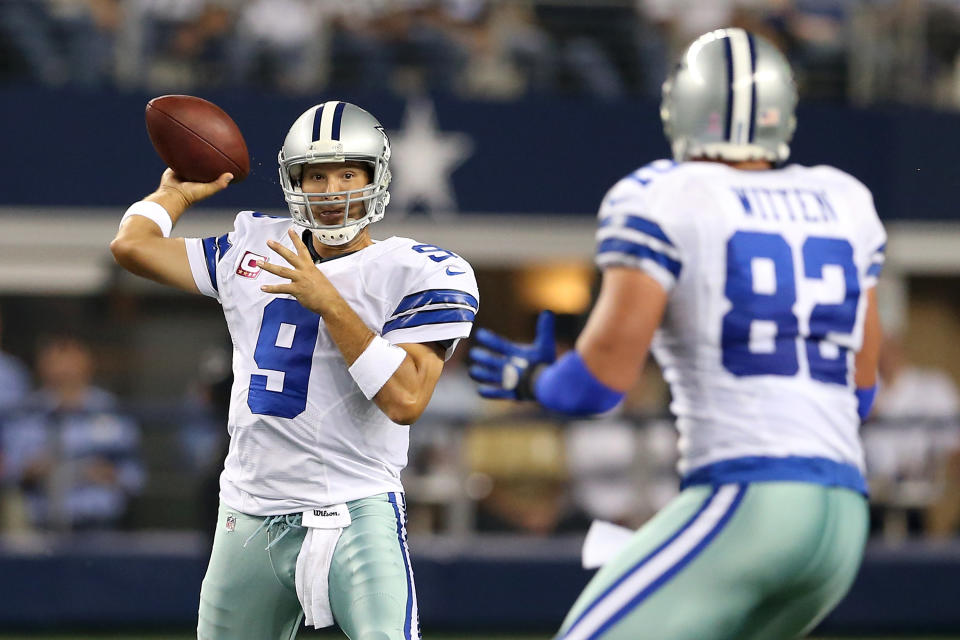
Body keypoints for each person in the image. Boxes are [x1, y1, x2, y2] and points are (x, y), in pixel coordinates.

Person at [469, 28, 884, 640]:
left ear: (682, 104)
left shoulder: (663, 195)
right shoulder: (845, 199)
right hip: (843, 516)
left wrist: (533, 379)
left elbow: (600, 383)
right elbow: (862, 393)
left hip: (747, 500)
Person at [110, 101, 479, 640]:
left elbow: (406, 400)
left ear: (376, 177)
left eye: (347, 172)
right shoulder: (253, 246)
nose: (332, 190)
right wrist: (177, 193)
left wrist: (329, 301)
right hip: (250, 510)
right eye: (316, 174)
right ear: (294, 180)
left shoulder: (418, 270)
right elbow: (132, 245)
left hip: (357, 507)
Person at [1, 335, 144, 531]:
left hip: (100, 524)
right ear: (43, 368)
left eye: (71, 364)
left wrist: (107, 473)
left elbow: (135, 476)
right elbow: (10, 471)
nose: (65, 371)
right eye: (57, 364)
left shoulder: (109, 409)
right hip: (43, 525)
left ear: (87, 365)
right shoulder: (28, 412)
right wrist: (34, 470)